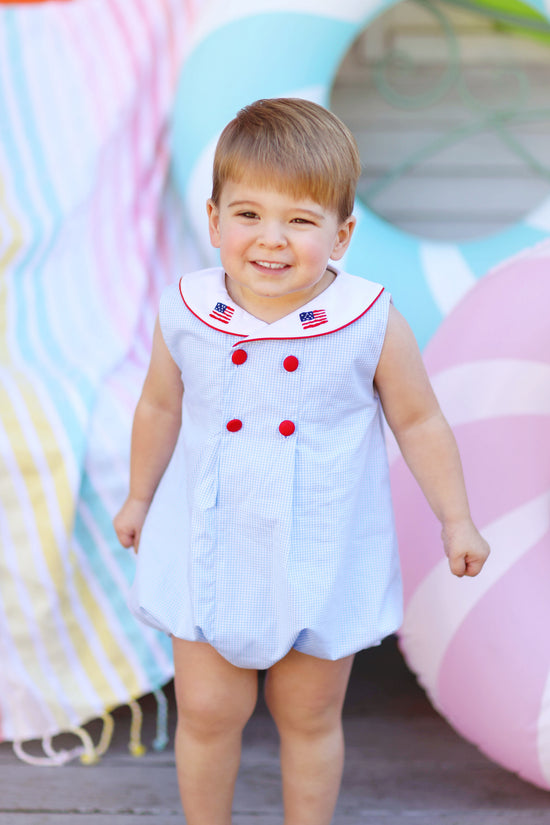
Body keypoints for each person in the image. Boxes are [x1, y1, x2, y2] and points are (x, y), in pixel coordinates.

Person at [113, 97, 490, 825]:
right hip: (210, 545)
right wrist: (137, 496)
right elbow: (159, 408)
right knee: (209, 710)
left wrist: (457, 519)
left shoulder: (368, 318)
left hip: (321, 548)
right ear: (215, 217)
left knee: (309, 713)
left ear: (342, 233)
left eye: (301, 220)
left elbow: (419, 420)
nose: (272, 240)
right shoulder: (187, 309)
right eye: (249, 215)